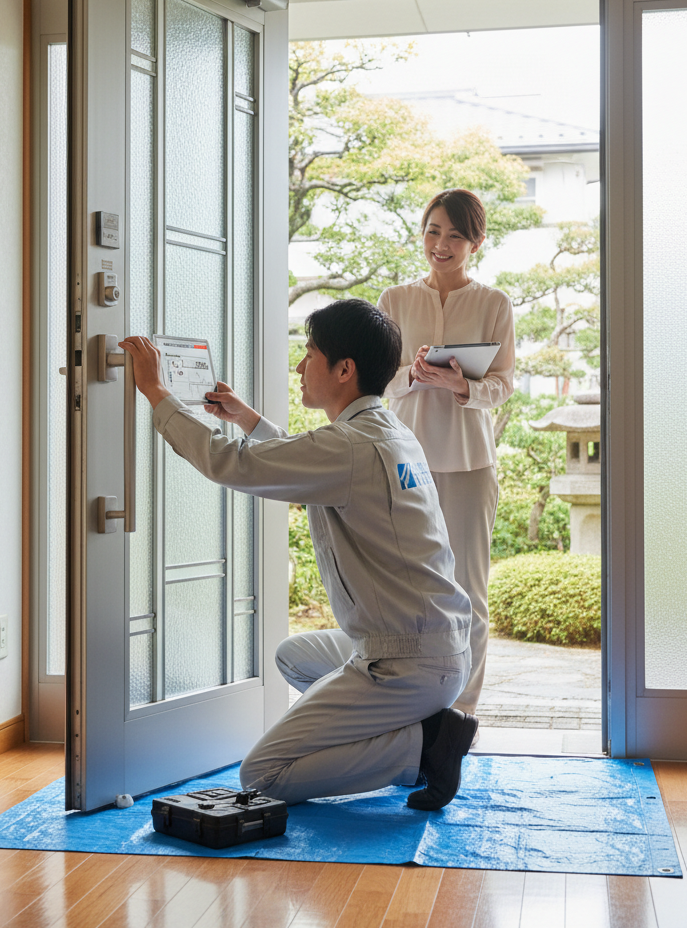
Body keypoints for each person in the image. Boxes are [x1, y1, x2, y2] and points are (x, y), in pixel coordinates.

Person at [118, 298, 477, 809]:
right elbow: (307, 459)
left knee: (263, 775)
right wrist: (248, 419)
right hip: (433, 644)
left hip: (407, 662)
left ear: (344, 369)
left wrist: (156, 392)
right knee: (295, 657)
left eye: (309, 352)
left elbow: (231, 465)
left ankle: (424, 750)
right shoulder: (386, 431)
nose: (300, 365)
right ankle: (421, 726)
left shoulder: (351, 446)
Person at [377, 189, 515, 718]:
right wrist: (412, 375)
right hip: (405, 461)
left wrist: (462, 386)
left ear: (475, 243)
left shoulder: (493, 304)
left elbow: (502, 385)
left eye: (456, 235)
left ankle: (461, 715)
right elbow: (377, 381)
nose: (442, 244)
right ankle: (408, 710)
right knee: (405, 589)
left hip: (469, 464)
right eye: (434, 231)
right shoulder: (394, 300)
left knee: (468, 591)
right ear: (423, 233)